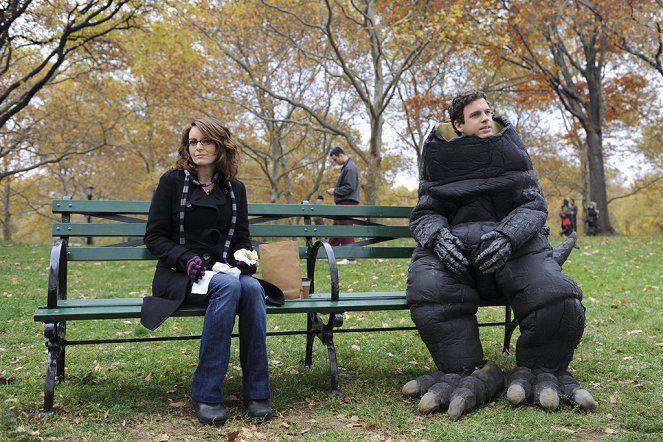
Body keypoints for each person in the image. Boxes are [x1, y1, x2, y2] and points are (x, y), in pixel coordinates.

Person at [406, 90, 593, 416]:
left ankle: (540, 367)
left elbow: (532, 205)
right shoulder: (437, 157)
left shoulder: (512, 149)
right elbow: (425, 212)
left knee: (556, 296)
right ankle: (464, 370)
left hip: (515, 248)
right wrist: (438, 237)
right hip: (458, 254)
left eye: (487, 112)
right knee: (430, 288)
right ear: (458, 124)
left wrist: (508, 236)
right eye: (476, 114)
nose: (485, 118)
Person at [140, 117, 274, 426]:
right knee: (229, 288)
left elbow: (242, 237)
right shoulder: (172, 182)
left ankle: (257, 392)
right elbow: (155, 237)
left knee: (253, 288)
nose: (199, 147)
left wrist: (245, 259)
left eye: (206, 141)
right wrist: (185, 259)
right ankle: (207, 394)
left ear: (221, 145)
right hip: (180, 274)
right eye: (193, 142)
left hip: (222, 274)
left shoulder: (234, 189)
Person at [326, 146, 360, 264]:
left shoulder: (350, 168)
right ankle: (328, 253)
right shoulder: (348, 167)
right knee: (337, 227)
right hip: (345, 201)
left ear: (340, 155)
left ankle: (351, 258)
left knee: (345, 228)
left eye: (335, 160)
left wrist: (335, 191)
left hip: (347, 201)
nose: (335, 163)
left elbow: (350, 187)